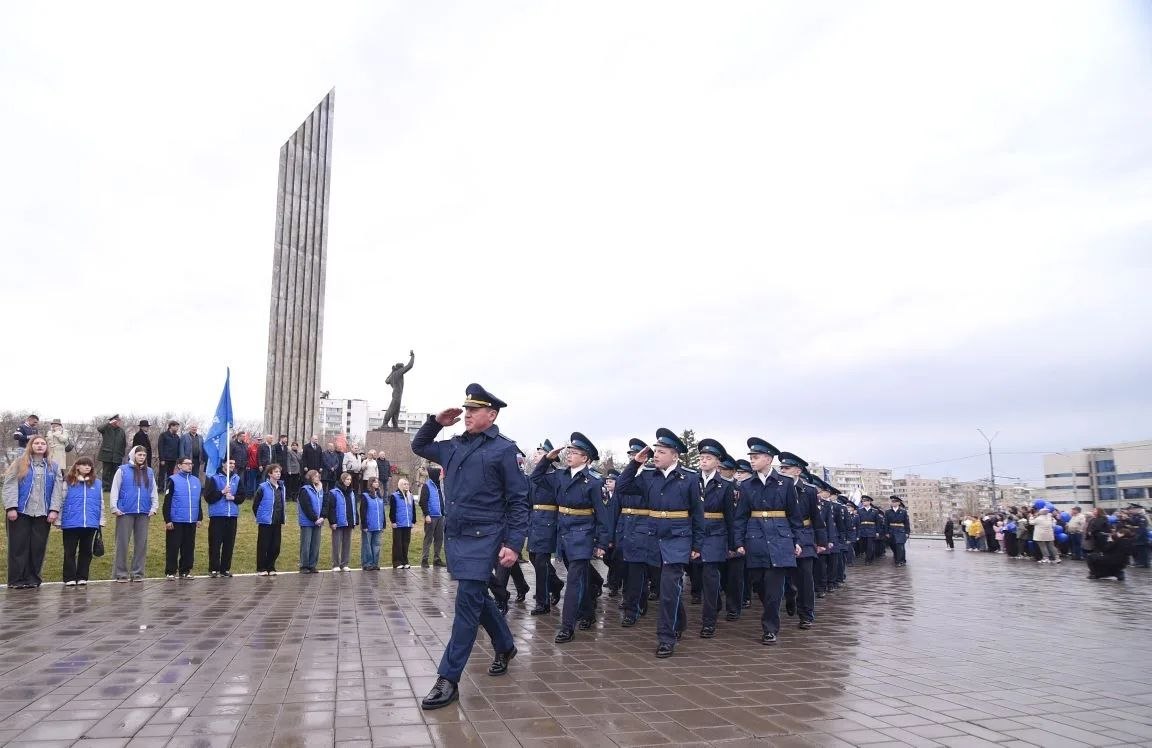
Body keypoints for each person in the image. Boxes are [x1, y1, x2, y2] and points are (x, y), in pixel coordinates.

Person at [411, 383, 528, 710]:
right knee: (476, 597)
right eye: (466, 409)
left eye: (474, 410)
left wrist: (514, 543)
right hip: (457, 535)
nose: (467, 414)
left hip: (485, 536)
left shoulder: (505, 450)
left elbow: (519, 501)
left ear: (492, 415)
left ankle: (448, 679)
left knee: (466, 603)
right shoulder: (454, 445)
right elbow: (419, 445)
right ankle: (505, 645)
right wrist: (436, 422)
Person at [615, 428, 704, 659]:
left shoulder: (689, 478)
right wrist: (635, 463)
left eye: (661, 452)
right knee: (668, 588)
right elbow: (622, 487)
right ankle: (679, 622)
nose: (656, 455)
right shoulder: (648, 476)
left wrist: (697, 545)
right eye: (655, 451)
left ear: (675, 456)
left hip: (678, 537)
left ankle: (666, 638)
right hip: (653, 537)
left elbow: (697, 513)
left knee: (668, 587)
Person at [531, 433, 610, 643]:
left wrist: (602, 543)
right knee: (580, 578)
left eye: (574, 453)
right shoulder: (560, 475)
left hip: (583, 535)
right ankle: (588, 613)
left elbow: (602, 515)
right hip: (563, 534)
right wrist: (547, 458)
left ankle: (567, 626)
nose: (569, 455)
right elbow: (535, 478)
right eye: (569, 452)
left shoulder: (593, 482)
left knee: (574, 581)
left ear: (585, 458)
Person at [739, 436, 804, 646]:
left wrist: (797, 540)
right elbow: (740, 516)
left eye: (756, 457)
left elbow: (795, 516)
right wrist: (738, 542)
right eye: (751, 457)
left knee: (773, 588)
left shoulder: (785, 483)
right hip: (755, 537)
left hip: (780, 538)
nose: (752, 460)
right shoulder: (746, 485)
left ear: (768, 459)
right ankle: (788, 593)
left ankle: (770, 629)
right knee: (759, 583)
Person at [3, 435, 63, 588]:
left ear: (47, 447)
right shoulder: (19, 463)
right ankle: (16, 580)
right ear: (31, 445)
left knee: (37, 547)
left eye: (43, 443)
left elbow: (57, 490)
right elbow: (10, 485)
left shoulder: (53, 467)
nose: (40, 445)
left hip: (42, 514)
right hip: (20, 512)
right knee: (18, 547)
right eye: (36, 443)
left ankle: (33, 579)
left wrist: (54, 510)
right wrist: (11, 507)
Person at [776, 453, 826, 628]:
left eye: (787, 468)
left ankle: (806, 614)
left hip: (805, 536)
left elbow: (816, 516)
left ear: (798, 471)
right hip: (782, 534)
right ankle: (790, 595)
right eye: (781, 468)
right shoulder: (777, 486)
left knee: (805, 578)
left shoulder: (809, 490)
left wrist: (821, 541)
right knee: (785, 576)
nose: (783, 471)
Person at [693, 439, 736, 639]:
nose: (703, 461)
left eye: (708, 458)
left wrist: (733, 543)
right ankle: (715, 601)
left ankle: (709, 622)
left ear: (717, 462)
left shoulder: (726, 485)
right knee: (697, 573)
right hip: (694, 532)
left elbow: (730, 516)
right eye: (701, 457)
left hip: (716, 533)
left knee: (710, 575)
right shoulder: (692, 481)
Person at [110, 445, 157, 582]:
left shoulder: (149, 472)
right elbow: (115, 489)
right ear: (133, 455)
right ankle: (120, 573)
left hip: (143, 512)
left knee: (141, 544)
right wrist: (114, 507)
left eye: (144, 455)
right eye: (139, 454)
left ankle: (138, 573)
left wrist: (154, 507)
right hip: (125, 512)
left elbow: (153, 491)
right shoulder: (122, 470)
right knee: (122, 543)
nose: (142, 457)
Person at [58, 456, 104, 586]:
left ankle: (82, 576)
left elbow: (100, 503)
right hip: (71, 523)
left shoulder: (97, 483)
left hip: (90, 523)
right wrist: (59, 520)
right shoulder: (68, 481)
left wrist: (101, 520)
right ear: (77, 466)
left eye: (89, 465)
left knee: (86, 551)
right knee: (70, 551)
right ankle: (69, 577)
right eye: (84, 465)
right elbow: (61, 500)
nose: (87, 467)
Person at [163, 456, 202, 579]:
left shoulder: (196, 481)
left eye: (191, 464)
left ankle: (185, 570)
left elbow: (198, 501)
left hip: (191, 520)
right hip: (176, 520)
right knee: (173, 547)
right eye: (187, 463)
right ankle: (170, 571)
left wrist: (199, 517)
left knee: (188, 547)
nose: (190, 466)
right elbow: (167, 501)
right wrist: (168, 519)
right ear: (179, 465)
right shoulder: (173, 480)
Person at [204, 458, 243, 578]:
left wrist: (233, 498)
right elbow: (208, 497)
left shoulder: (237, 478)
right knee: (215, 543)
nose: (232, 465)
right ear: (223, 464)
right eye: (230, 463)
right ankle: (214, 569)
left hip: (232, 515)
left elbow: (242, 496)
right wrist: (222, 492)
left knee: (229, 544)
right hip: (218, 515)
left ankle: (225, 568)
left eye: (234, 463)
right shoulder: (214, 478)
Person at [253, 463, 287, 575]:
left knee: (276, 546)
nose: (278, 474)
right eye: (276, 472)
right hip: (266, 521)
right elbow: (255, 505)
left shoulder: (282, 487)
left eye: (279, 472)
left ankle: (270, 567)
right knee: (263, 545)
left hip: (277, 521)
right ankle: (261, 568)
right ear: (270, 474)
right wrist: (261, 517)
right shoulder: (263, 487)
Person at [326, 471, 358, 571]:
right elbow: (331, 508)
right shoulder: (334, 492)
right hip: (338, 522)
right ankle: (335, 564)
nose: (349, 481)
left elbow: (354, 507)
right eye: (347, 479)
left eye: (350, 479)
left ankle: (344, 564)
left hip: (349, 521)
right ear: (342, 480)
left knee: (347, 543)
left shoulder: (351, 492)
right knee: (336, 544)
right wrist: (332, 522)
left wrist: (355, 520)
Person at [298, 470, 326, 573]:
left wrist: (322, 516)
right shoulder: (305, 490)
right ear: (310, 477)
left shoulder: (321, 490)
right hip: (307, 522)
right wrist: (315, 519)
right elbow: (306, 506)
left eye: (318, 476)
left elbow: (325, 504)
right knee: (306, 544)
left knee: (315, 544)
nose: (317, 478)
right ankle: (304, 566)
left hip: (318, 522)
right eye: (315, 476)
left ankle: (312, 565)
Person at [419, 464, 446, 567]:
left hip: (440, 516)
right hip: (431, 517)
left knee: (439, 538)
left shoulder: (440, 486)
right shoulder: (427, 486)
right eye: (440, 474)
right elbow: (423, 502)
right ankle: (424, 559)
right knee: (428, 538)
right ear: (435, 475)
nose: (441, 476)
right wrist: (427, 515)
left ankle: (436, 559)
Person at [360, 477, 387, 570]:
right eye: (375, 482)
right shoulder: (365, 496)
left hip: (378, 525)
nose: (377, 484)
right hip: (368, 525)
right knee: (367, 545)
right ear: (371, 483)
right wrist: (364, 525)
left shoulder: (379, 496)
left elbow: (382, 511)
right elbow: (363, 511)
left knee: (376, 545)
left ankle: (375, 563)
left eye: (377, 482)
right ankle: (367, 564)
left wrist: (383, 524)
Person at [389, 477, 416, 569]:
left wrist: (413, 521)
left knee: (405, 543)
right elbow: (392, 510)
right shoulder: (394, 496)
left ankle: (405, 561)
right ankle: (397, 562)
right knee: (398, 544)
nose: (407, 486)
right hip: (398, 524)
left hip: (407, 523)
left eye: (407, 484)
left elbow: (413, 509)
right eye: (404, 484)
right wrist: (393, 521)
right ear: (400, 485)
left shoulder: (410, 496)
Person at [97, 415, 127, 488]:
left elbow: (123, 444)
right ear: (114, 421)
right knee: (106, 472)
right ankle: (105, 487)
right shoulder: (107, 428)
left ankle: (113, 487)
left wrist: (122, 454)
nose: (119, 422)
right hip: (107, 455)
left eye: (119, 420)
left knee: (115, 472)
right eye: (118, 420)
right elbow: (99, 428)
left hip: (117, 456)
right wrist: (109, 423)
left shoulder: (121, 431)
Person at [885, 496, 910, 567]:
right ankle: (900, 559)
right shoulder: (888, 512)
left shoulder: (903, 512)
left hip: (900, 531)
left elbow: (906, 523)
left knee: (899, 545)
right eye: (892, 502)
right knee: (893, 545)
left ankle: (899, 561)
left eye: (895, 502)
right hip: (891, 530)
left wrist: (907, 532)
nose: (893, 503)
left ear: (899, 503)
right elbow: (886, 523)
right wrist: (886, 532)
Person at [857, 495, 884, 563]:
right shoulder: (859, 510)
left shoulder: (875, 511)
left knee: (870, 545)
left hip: (871, 530)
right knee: (864, 545)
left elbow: (877, 522)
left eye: (865, 501)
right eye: (863, 501)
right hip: (862, 530)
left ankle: (868, 559)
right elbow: (858, 522)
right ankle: (870, 556)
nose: (864, 502)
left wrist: (877, 532)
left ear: (869, 502)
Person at [158, 420, 182, 485]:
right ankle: (160, 488)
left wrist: (178, 459)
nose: (177, 429)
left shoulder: (177, 437)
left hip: (173, 459)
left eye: (178, 427)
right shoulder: (163, 435)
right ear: (171, 426)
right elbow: (160, 447)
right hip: (165, 459)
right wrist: (162, 459)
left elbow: (178, 448)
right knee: (162, 475)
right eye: (176, 427)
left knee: (171, 475)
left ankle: (168, 488)